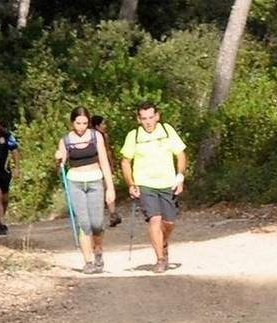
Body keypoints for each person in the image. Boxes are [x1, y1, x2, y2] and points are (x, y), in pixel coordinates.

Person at [119, 103, 188, 274]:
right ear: (139, 119)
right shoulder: (134, 136)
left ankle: (163, 242)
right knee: (154, 220)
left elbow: (180, 154)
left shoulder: (167, 131)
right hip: (145, 184)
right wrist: (131, 184)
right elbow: (126, 161)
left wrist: (180, 176)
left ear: (157, 116)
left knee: (169, 222)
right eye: (144, 118)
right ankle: (160, 259)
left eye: (151, 117)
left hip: (167, 183)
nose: (148, 122)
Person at [57, 110, 114, 273]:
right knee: (84, 224)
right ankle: (88, 261)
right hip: (75, 183)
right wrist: (58, 159)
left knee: (97, 224)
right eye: (78, 123)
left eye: (84, 123)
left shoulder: (96, 136)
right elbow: (60, 169)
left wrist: (110, 187)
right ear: (72, 123)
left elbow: (104, 161)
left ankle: (98, 250)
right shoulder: (66, 140)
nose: (81, 127)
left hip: (95, 180)